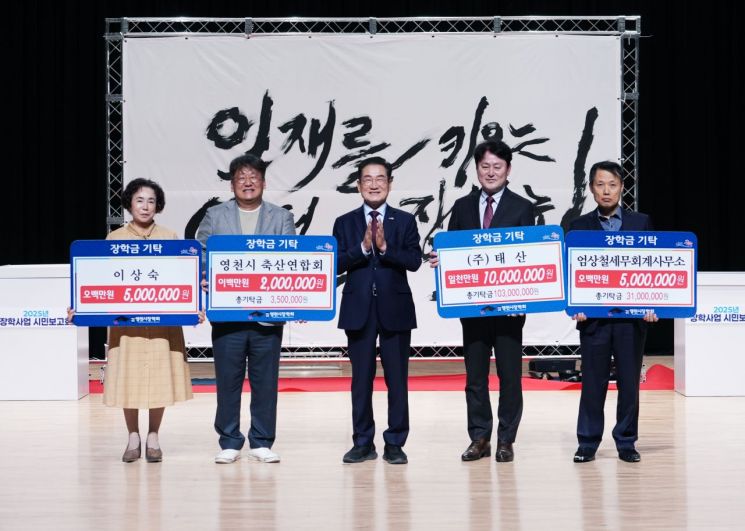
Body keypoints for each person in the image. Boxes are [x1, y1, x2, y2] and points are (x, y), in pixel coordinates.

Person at [430, 140, 534, 462]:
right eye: (485, 166)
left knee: (510, 377)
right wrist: (442, 260)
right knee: (475, 378)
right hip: (472, 310)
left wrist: (521, 299)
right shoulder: (462, 207)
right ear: (476, 169)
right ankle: (479, 438)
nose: (491, 172)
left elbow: (529, 258)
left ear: (508, 169)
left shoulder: (522, 207)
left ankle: (506, 439)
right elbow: (452, 250)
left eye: (497, 167)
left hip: (509, 311)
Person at [197, 153, 295, 464]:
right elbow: (202, 253)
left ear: (263, 182)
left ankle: (262, 441)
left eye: (254, 177)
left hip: (268, 316)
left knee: (265, 382)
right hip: (228, 315)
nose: (248, 182)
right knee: (228, 381)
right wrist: (205, 275)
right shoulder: (215, 215)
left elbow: (292, 260)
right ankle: (229, 440)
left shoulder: (281, 217)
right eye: (241, 177)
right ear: (232, 184)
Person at [333, 157, 422, 465]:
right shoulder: (345, 222)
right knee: (361, 380)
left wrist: (384, 248)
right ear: (359, 185)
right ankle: (362, 442)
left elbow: (414, 261)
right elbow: (335, 263)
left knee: (397, 380)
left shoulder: (405, 220)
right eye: (367, 179)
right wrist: (362, 248)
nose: (374, 185)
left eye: (380, 179)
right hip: (358, 308)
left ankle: (395, 442)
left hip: (395, 308)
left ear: (390, 184)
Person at [569, 160, 658, 464]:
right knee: (592, 384)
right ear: (591, 188)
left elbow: (652, 268)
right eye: (600, 184)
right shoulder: (578, 226)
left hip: (631, 320)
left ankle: (626, 441)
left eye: (612, 184)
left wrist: (652, 305)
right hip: (594, 320)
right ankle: (587, 442)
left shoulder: (640, 222)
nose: (606, 190)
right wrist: (576, 306)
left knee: (629, 383)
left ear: (621, 188)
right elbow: (572, 271)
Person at [103, 178, 193, 463]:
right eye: (139, 200)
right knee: (127, 377)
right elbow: (99, 280)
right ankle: (133, 436)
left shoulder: (170, 237)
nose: (145, 206)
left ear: (158, 206)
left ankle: (153, 435)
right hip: (126, 324)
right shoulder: (115, 239)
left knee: (159, 377)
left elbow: (183, 279)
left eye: (151, 201)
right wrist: (80, 308)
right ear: (129, 203)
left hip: (162, 322)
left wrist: (194, 306)